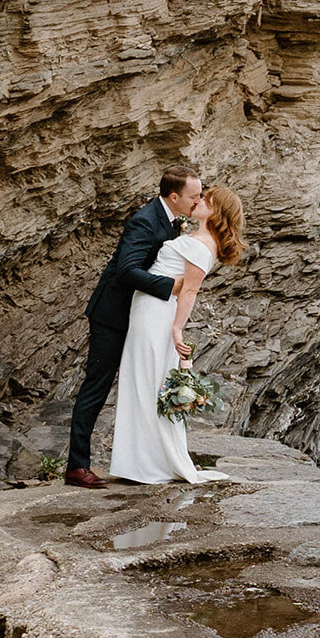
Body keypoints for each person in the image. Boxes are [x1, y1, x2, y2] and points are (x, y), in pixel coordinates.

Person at [65, 165, 203, 488]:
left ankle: (154, 458)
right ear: (173, 196)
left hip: (141, 318)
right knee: (96, 388)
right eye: (194, 196)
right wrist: (172, 287)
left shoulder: (172, 221)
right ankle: (76, 467)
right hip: (112, 316)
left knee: (146, 387)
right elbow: (126, 270)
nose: (198, 201)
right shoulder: (144, 220)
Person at [110, 184, 246, 484]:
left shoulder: (201, 246)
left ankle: (148, 464)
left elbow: (191, 290)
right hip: (149, 308)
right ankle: (139, 460)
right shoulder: (196, 238)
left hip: (157, 314)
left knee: (148, 380)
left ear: (216, 211)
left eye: (206, 200)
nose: (199, 200)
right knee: (141, 378)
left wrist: (176, 328)